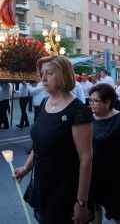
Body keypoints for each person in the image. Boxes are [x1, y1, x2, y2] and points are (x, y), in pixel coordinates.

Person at [15, 55, 93, 224]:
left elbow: (86, 159)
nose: (43, 79)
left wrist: (81, 202)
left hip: (65, 186)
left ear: (63, 74)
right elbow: (40, 143)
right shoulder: (45, 102)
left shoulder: (77, 110)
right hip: (43, 181)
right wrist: (26, 167)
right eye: (41, 73)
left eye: (49, 73)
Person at [89, 83, 120, 224]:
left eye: (95, 101)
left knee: (116, 213)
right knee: (94, 213)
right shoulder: (87, 119)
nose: (91, 104)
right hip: (92, 174)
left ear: (108, 102)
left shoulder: (118, 120)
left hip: (114, 176)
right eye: (90, 100)